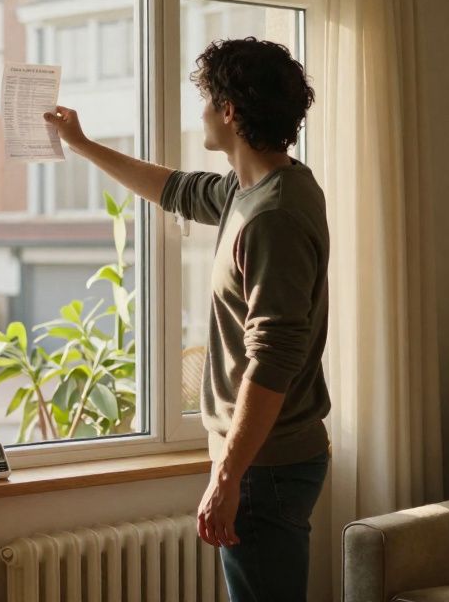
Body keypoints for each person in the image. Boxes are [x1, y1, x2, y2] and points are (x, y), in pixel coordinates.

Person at [44, 37, 330, 602]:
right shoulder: (257, 190)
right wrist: (82, 145)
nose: (200, 112)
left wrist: (228, 478)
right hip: (259, 463)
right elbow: (173, 188)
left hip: (264, 467)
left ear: (229, 111)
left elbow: (273, 359)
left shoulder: (272, 214)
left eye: (206, 101)